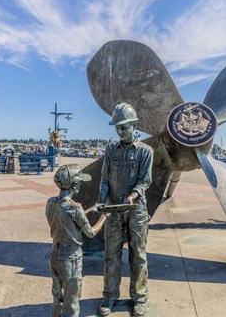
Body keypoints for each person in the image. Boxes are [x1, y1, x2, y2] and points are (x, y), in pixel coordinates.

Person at [97, 103, 153, 317]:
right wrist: (101, 201)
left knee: (138, 256)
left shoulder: (146, 151)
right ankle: (109, 296)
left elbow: (145, 180)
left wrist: (132, 196)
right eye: (117, 127)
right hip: (113, 209)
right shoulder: (110, 150)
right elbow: (104, 178)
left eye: (124, 126)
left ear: (133, 125)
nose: (120, 131)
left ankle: (139, 298)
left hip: (136, 210)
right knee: (111, 255)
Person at [46, 164, 110, 317]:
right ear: (74, 184)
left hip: (55, 253)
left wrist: (90, 209)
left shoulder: (51, 202)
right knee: (72, 300)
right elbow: (91, 232)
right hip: (71, 258)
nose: (81, 185)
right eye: (80, 182)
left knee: (57, 295)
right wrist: (104, 217)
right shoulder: (75, 208)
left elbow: (66, 220)